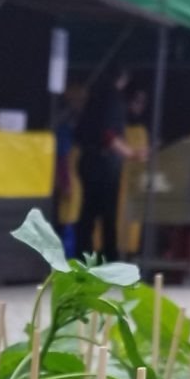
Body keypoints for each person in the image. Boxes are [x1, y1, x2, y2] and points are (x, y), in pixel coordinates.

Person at [75, 68, 132, 259]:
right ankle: (110, 258)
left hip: (86, 160)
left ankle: (83, 256)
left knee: (88, 212)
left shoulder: (93, 97)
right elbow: (109, 135)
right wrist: (130, 153)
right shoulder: (114, 99)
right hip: (104, 164)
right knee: (107, 215)